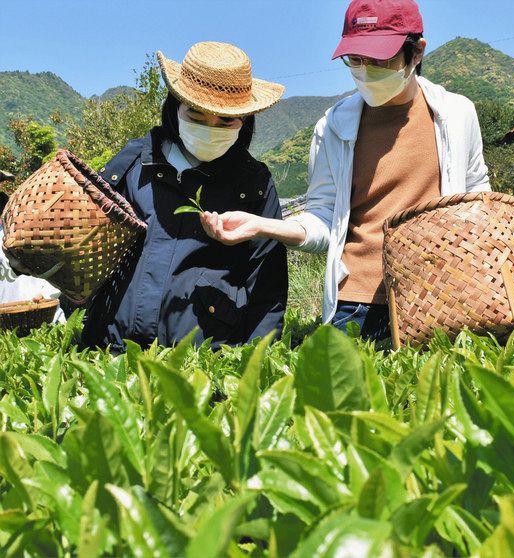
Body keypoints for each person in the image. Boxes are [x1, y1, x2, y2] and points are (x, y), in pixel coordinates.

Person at [200, 0, 491, 342]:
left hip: (440, 294)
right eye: (356, 59)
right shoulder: (333, 127)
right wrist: (263, 226)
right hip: (357, 303)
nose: (366, 70)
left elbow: (477, 198)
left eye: (380, 59)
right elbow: (323, 218)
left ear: (416, 53)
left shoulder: (457, 115)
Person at [81, 42, 288, 351]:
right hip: (113, 350)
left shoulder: (253, 184)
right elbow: (87, 245)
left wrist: (254, 367)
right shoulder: (134, 163)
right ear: (175, 106)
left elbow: (267, 291)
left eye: (225, 121)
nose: (210, 128)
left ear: (244, 121)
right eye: (197, 115)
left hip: (203, 361)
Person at [0, 174, 66, 323]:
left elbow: (61, 261)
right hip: (6, 334)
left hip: (45, 323)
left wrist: (47, 293)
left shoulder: (26, 221)